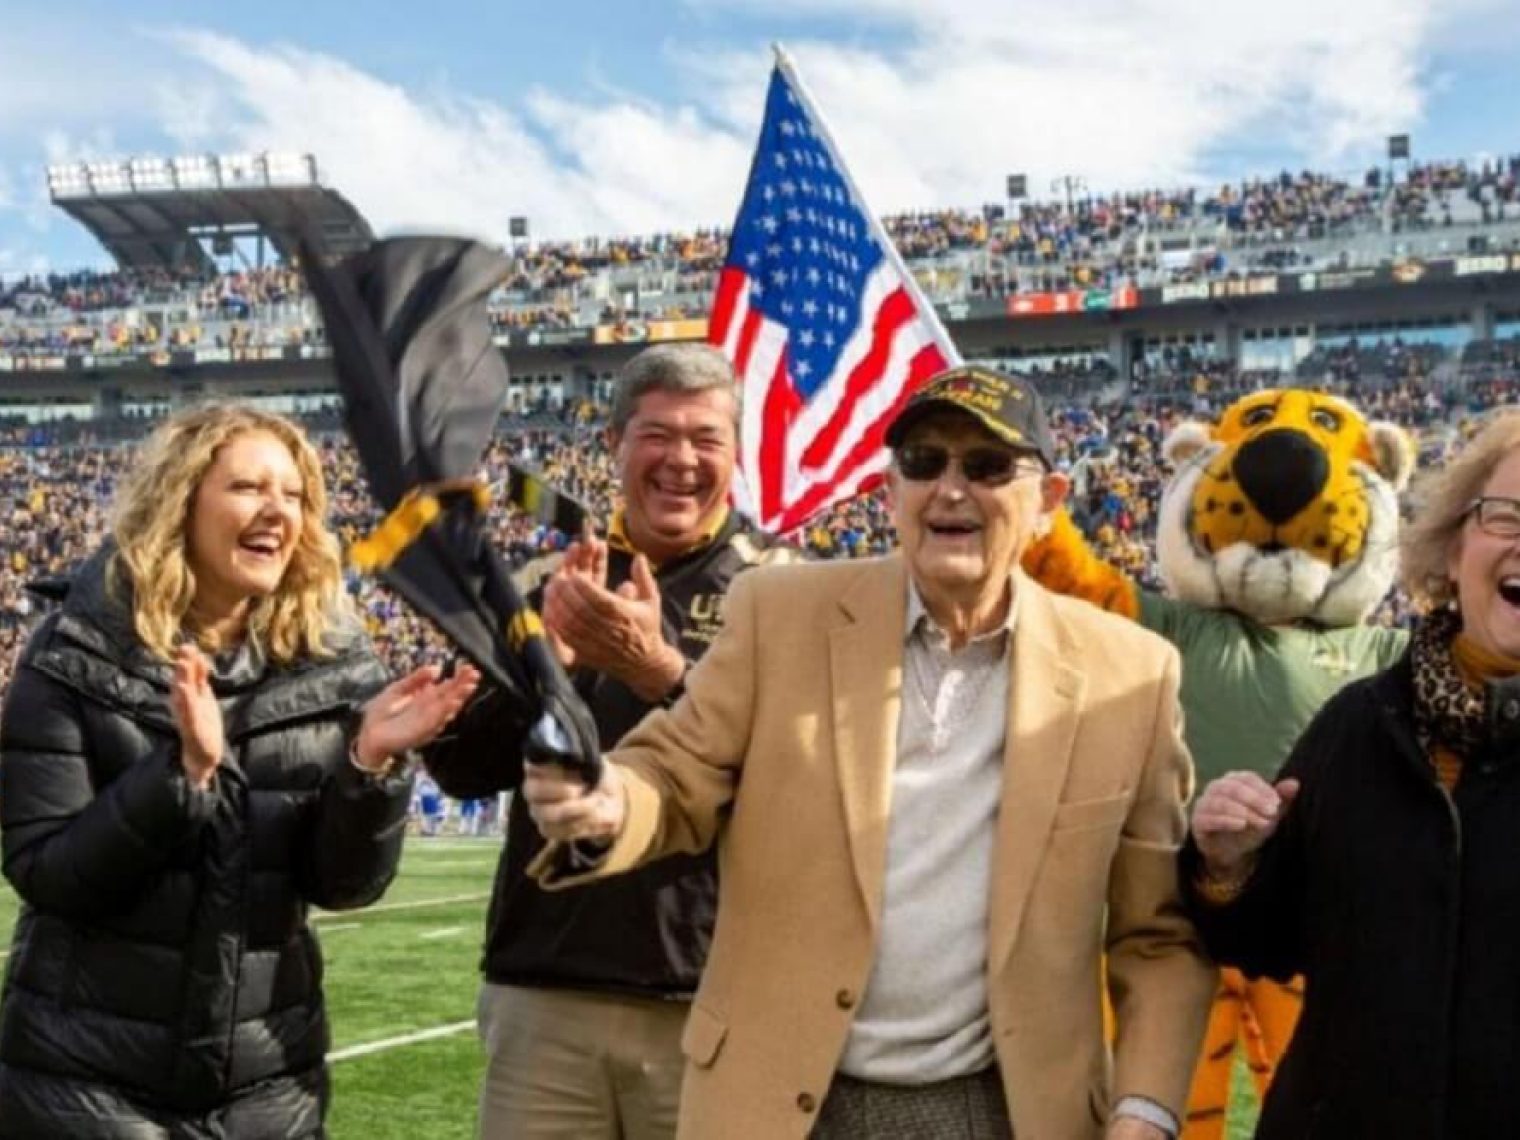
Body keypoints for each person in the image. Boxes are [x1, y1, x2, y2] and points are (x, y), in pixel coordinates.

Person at [522, 364, 1216, 1140]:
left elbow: (1156, 936)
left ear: (1048, 503)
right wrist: (608, 802)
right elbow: (676, 769)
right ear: (891, 493)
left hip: (1006, 1111)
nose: (951, 488)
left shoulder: (1130, 671)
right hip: (783, 1103)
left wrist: (1146, 1112)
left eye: (987, 466)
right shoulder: (778, 613)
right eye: (924, 463)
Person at [0, 404, 478, 1137]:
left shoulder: (332, 658)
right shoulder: (76, 648)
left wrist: (368, 763)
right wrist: (182, 775)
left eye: (293, 496)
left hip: (266, 1087)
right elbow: (47, 871)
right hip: (85, 1085)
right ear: (181, 500)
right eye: (249, 488)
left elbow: (344, 885)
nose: (276, 513)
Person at [423, 343, 793, 1139]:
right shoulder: (539, 584)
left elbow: (804, 779)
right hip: (545, 987)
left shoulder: (786, 589)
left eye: (706, 439)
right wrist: (542, 668)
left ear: (738, 454)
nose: (682, 460)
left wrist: (659, 670)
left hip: (710, 994)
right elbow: (458, 768)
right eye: (657, 435)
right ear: (615, 446)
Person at [1183, 410, 1520, 1138]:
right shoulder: (1364, 721)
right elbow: (1268, 940)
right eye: (1507, 515)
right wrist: (1228, 865)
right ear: (1457, 541)